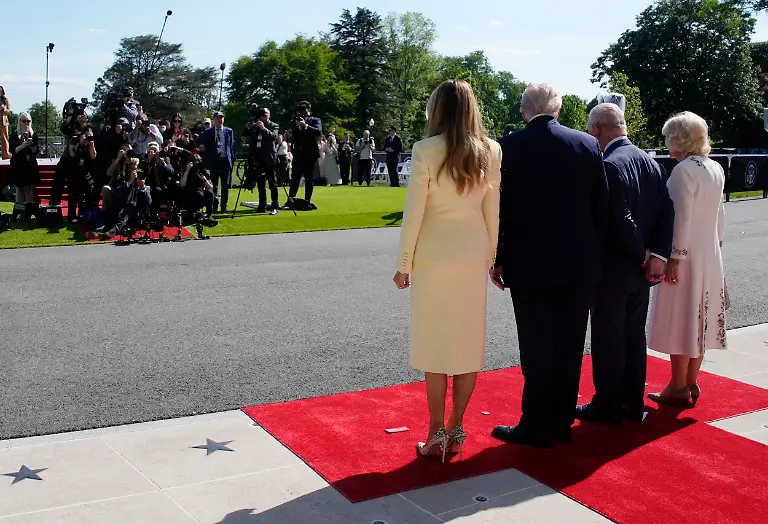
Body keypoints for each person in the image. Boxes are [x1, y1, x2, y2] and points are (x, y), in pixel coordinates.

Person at [490, 83, 608, 448]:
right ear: (558, 110)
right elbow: (600, 207)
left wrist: (497, 259)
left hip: (529, 263)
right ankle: (560, 421)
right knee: (570, 345)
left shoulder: (509, 146)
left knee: (536, 346)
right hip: (578, 263)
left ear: (524, 112)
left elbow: (500, 210)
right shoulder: (587, 144)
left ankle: (535, 422)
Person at [394, 79, 501, 462]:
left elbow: (414, 215)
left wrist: (403, 263)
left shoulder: (425, 150)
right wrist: (491, 258)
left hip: (435, 258)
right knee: (467, 345)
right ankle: (456, 427)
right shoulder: (491, 150)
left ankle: (436, 429)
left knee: (435, 345)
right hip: (472, 257)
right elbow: (493, 212)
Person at [575, 103, 675, 424]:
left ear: (598, 130)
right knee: (634, 335)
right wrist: (656, 256)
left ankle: (606, 404)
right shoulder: (652, 163)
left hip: (614, 268)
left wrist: (640, 253)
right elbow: (666, 212)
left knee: (608, 338)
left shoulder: (609, 165)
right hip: (641, 272)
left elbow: (619, 219)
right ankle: (632, 401)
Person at [647, 111, 728, 406]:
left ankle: (678, 384)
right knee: (701, 319)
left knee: (682, 318)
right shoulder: (715, 167)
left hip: (688, 253)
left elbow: (679, 218)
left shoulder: (683, 171)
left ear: (678, 139)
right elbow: (720, 215)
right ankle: (691, 382)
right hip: (709, 251)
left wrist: (674, 258)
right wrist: (717, 246)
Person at [243, 107, 280, 214]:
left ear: (269, 115)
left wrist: (263, 128)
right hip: (258, 158)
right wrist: (249, 124)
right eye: (261, 115)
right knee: (261, 184)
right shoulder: (255, 126)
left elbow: (273, 137)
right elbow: (245, 133)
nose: (263, 117)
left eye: (265, 115)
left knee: (272, 184)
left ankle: (275, 205)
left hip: (269, 158)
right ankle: (262, 205)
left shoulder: (273, 125)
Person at [197, 111, 236, 212]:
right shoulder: (208, 133)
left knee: (225, 184)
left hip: (225, 160)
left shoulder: (229, 131)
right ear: (214, 120)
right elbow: (205, 148)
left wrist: (232, 159)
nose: (220, 119)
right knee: (214, 185)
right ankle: (214, 205)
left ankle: (224, 206)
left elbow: (231, 147)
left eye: (222, 118)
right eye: (218, 118)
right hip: (214, 161)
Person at [288, 101, 322, 204]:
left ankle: (307, 200)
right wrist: (291, 134)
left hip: (310, 153)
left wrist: (305, 126)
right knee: (295, 177)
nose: (302, 112)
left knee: (309, 178)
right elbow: (294, 138)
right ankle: (290, 199)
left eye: (304, 110)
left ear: (308, 110)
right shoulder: (295, 122)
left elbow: (318, 131)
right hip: (298, 153)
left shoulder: (315, 120)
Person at [9, 112, 41, 204]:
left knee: (29, 188)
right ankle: (19, 210)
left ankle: (28, 210)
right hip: (18, 164)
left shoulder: (33, 134)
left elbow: (36, 151)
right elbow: (12, 150)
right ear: (20, 122)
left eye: (28, 121)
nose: (26, 123)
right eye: (24, 121)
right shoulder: (15, 134)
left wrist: (31, 146)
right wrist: (23, 145)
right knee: (19, 188)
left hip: (29, 164)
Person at [0, 86, 11, 160]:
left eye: (0, 91)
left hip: (3, 122)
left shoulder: (5, 100)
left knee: (4, 139)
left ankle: (6, 155)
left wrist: (3, 108)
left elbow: (9, 112)